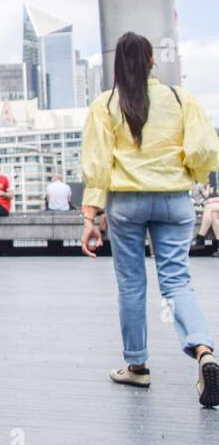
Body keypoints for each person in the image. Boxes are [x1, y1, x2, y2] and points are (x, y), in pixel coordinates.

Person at [81, 31, 219, 407]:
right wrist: (193, 174)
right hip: (174, 200)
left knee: (131, 284)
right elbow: (204, 147)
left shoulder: (106, 104)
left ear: (117, 65)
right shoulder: (180, 98)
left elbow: (97, 162)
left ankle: (137, 366)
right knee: (176, 282)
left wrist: (91, 213)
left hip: (126, 203)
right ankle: (204, 349)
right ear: (152, 61)